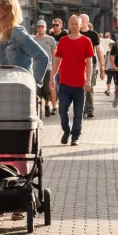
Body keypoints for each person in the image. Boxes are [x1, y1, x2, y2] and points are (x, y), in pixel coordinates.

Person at [0, 0, 49, 220]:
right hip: (0, 96)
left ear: (5, 9)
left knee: (15, 147)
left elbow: (42, 57)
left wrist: (34, 83)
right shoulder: (1, 35)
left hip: (19, 97)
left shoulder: (18, 33)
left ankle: (19, 198)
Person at [51, 15, 95, 146]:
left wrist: (88, 80)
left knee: (78, 112)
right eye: (72, 24)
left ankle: (75, 137)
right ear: (68, 25)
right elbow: (57, 60)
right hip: (64, 82)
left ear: (81, 25)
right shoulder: (63, 41)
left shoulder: (86, 41)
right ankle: (66, 130)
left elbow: (89, 63)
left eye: (77, 24)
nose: (74, 26)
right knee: (62, 109)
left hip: (80, 84)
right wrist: (52, 76)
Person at [79, 14, 105, 118]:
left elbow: (99, 51)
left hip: (91, 63)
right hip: (78, 63)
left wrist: (102, 67)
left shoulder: (93, 34)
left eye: (82, 20)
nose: (80, 22)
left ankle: (89, 109)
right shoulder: (75, 33)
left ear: (86, 21)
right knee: (79, 86)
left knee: (89, 86)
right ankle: (81, 108)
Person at [33, 20, 59, 117]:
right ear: (36, 28)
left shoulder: (50, 39)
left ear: (45, 28)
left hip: (48, 68)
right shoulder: (33, 39)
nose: (40, 29)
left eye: (42, 27)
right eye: (38, 27)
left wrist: (55, 67)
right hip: (35, 69)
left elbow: (55, 54)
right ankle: (38, 110)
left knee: (47, 90)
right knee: (36, 91)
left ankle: (47, 105)